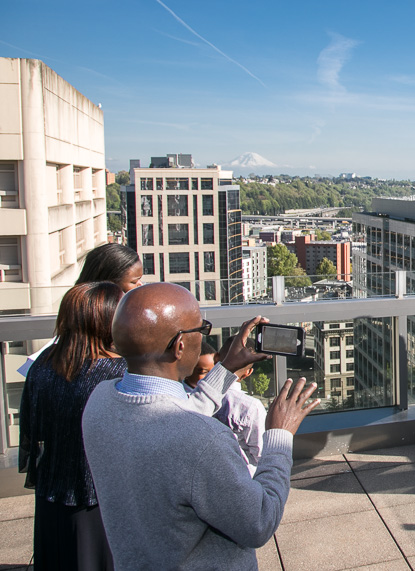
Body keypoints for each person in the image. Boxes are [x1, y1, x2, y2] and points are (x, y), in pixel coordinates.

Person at [81, 283, 318, 570]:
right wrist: (279, 436)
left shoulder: (100, 401)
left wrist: (225, 370)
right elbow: (259, 521)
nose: (204, 336)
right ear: (180, 345)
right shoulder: (203, 440)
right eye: (201, 329)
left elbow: (168, 419)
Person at [19, 282, 125, 571]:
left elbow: (32, 429)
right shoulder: (119, 372)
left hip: (53, 495)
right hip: (101, 499)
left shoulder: (43, 364)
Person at [17, 243, 143, 378]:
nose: (140, 285)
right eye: (134, 281)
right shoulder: (118, 369)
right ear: (108, 285)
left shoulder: (46, 361)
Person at [185, 344, 268, 474]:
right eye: (202, 372)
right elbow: (261, 455)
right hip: (240, 479)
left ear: (216, 359)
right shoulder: (250, 406)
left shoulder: (182, 399)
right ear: (249, 372)